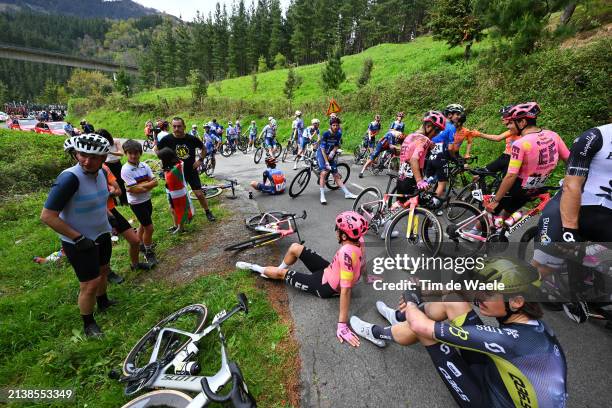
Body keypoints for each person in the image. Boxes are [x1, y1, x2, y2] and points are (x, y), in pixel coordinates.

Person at [350, 258, 568, 408]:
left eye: (488, 292)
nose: (481, 295)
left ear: (517, 301)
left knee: (425, 329)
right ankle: (399, 317)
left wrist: (411, 300)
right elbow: (463, 289)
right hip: (499, 375)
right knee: (454, 301)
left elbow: (422, 327)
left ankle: (378, 333)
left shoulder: (509, 340)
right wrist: (421, 291)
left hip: (491, 401)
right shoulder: (529, 322)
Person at [236, 211, 368, 347]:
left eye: (337, 230)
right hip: (328, 270)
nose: (336, 232)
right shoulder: (359, 240)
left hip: (324, 286)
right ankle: (278, 270)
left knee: (282, 273)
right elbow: (362, 262)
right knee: (295, 248)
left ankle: (254, 267)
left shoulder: (346, 254)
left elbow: (346, 291)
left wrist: (342, 325)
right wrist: (367, 277)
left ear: (344, 235)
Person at [40, 134, 117, 338]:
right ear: (76, 154)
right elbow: (47, 216)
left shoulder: (101, 174)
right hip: (79, 240)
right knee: (89, 284)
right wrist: (77, 238)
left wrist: (109, 219)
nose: (87, 161)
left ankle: (103, 302)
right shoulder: (69, 178)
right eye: (82, 155)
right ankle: (88, 323)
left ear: (103, 159)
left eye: (93, 157)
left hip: (101, 233)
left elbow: (97, 201)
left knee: (103, 270)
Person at [533, 123, 612, 278]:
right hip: (571, 207)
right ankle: (525, 298)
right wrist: (569, 231)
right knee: (543, 269)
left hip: (606, 214)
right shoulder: (594, 137)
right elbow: (572, 185)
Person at [485, 102, 570, 217]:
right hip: (535, 187)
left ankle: (474, 231)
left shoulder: (519, 144)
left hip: (516, 186)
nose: (508, 126)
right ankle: (500, 232)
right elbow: (569, 159)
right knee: (509, 212)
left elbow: (511, 175)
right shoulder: (553, 135)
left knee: (490, 214)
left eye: (510, 123)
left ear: (522, 122)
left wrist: (495, 200)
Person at [157, 117, 216, 221]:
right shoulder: (167, 139)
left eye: (179, 126)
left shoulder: (191, 138)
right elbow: (156, 149)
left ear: (184, 127)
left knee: (198, 193)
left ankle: (208, 211)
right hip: (175, 172)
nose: (176, 128)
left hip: (190, 170)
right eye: (174, 126)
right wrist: (164, 162)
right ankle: (181, 220)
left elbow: (203, 148)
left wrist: (200, 160)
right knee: (176, 197)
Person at [121, 139, 159, 265]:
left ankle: (141, 245)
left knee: (143, 225)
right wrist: (147, 184)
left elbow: (156, 182)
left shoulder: (144, 165)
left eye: (136, 153)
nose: (133, 155)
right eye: (130, 153)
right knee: (149, 228)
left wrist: (141, 186)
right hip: (136, 203)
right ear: (126, 154)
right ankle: (148, 252)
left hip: (147, 199)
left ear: (140, 153)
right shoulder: (125, 169)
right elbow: (135, 190)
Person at [425, 104, 463, 211]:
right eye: (457, 114)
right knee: (442, 183)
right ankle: (433, 206)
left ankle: (422, 199)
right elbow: (451, 148)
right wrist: (455, 158)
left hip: (431, 156)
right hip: (441, 158)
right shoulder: (451, 127)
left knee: (428, 180)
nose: (459, 117)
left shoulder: (437, 124)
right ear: (450, 115)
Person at [317, 116, 357, 204]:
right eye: (334, 125)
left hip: (331, 154)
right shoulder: (326, 134)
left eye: (337, 125)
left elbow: (336, 145)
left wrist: (333, 152)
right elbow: (322, 149)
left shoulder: (338, 134)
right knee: (324, 173)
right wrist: (326, 162)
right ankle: (322, 196)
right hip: (322, 154)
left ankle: (347, 193)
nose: (335, 127)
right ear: (331, 126)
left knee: (336, 175)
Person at [158, 147, 194, 233]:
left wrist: (164, 170)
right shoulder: (171, 166)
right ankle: (176, 225)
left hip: (178, 193)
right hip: (171, 191)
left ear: (166, 159)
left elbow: (171, 175)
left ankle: (181, 228)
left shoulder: (177, 166)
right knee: (172, 208)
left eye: (161, 159)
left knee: (179, 209)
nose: (160, 161)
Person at [476, 105, 521, 175]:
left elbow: (498, 138)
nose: (502, 117)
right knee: (481, 172)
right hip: (504, 157)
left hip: (512, 159)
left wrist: (480, 134)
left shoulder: (515, 129)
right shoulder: (511, 129)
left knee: (503, 181)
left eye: (504, 115)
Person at [100, 129, 128, 206]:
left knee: (121, 182)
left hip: (117, 164)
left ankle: (124, 201)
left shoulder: (115, 141)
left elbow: (121, 153)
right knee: (110, 184)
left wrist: (110, 152)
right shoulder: (101, 143)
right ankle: (114, 203)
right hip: (107, 165)